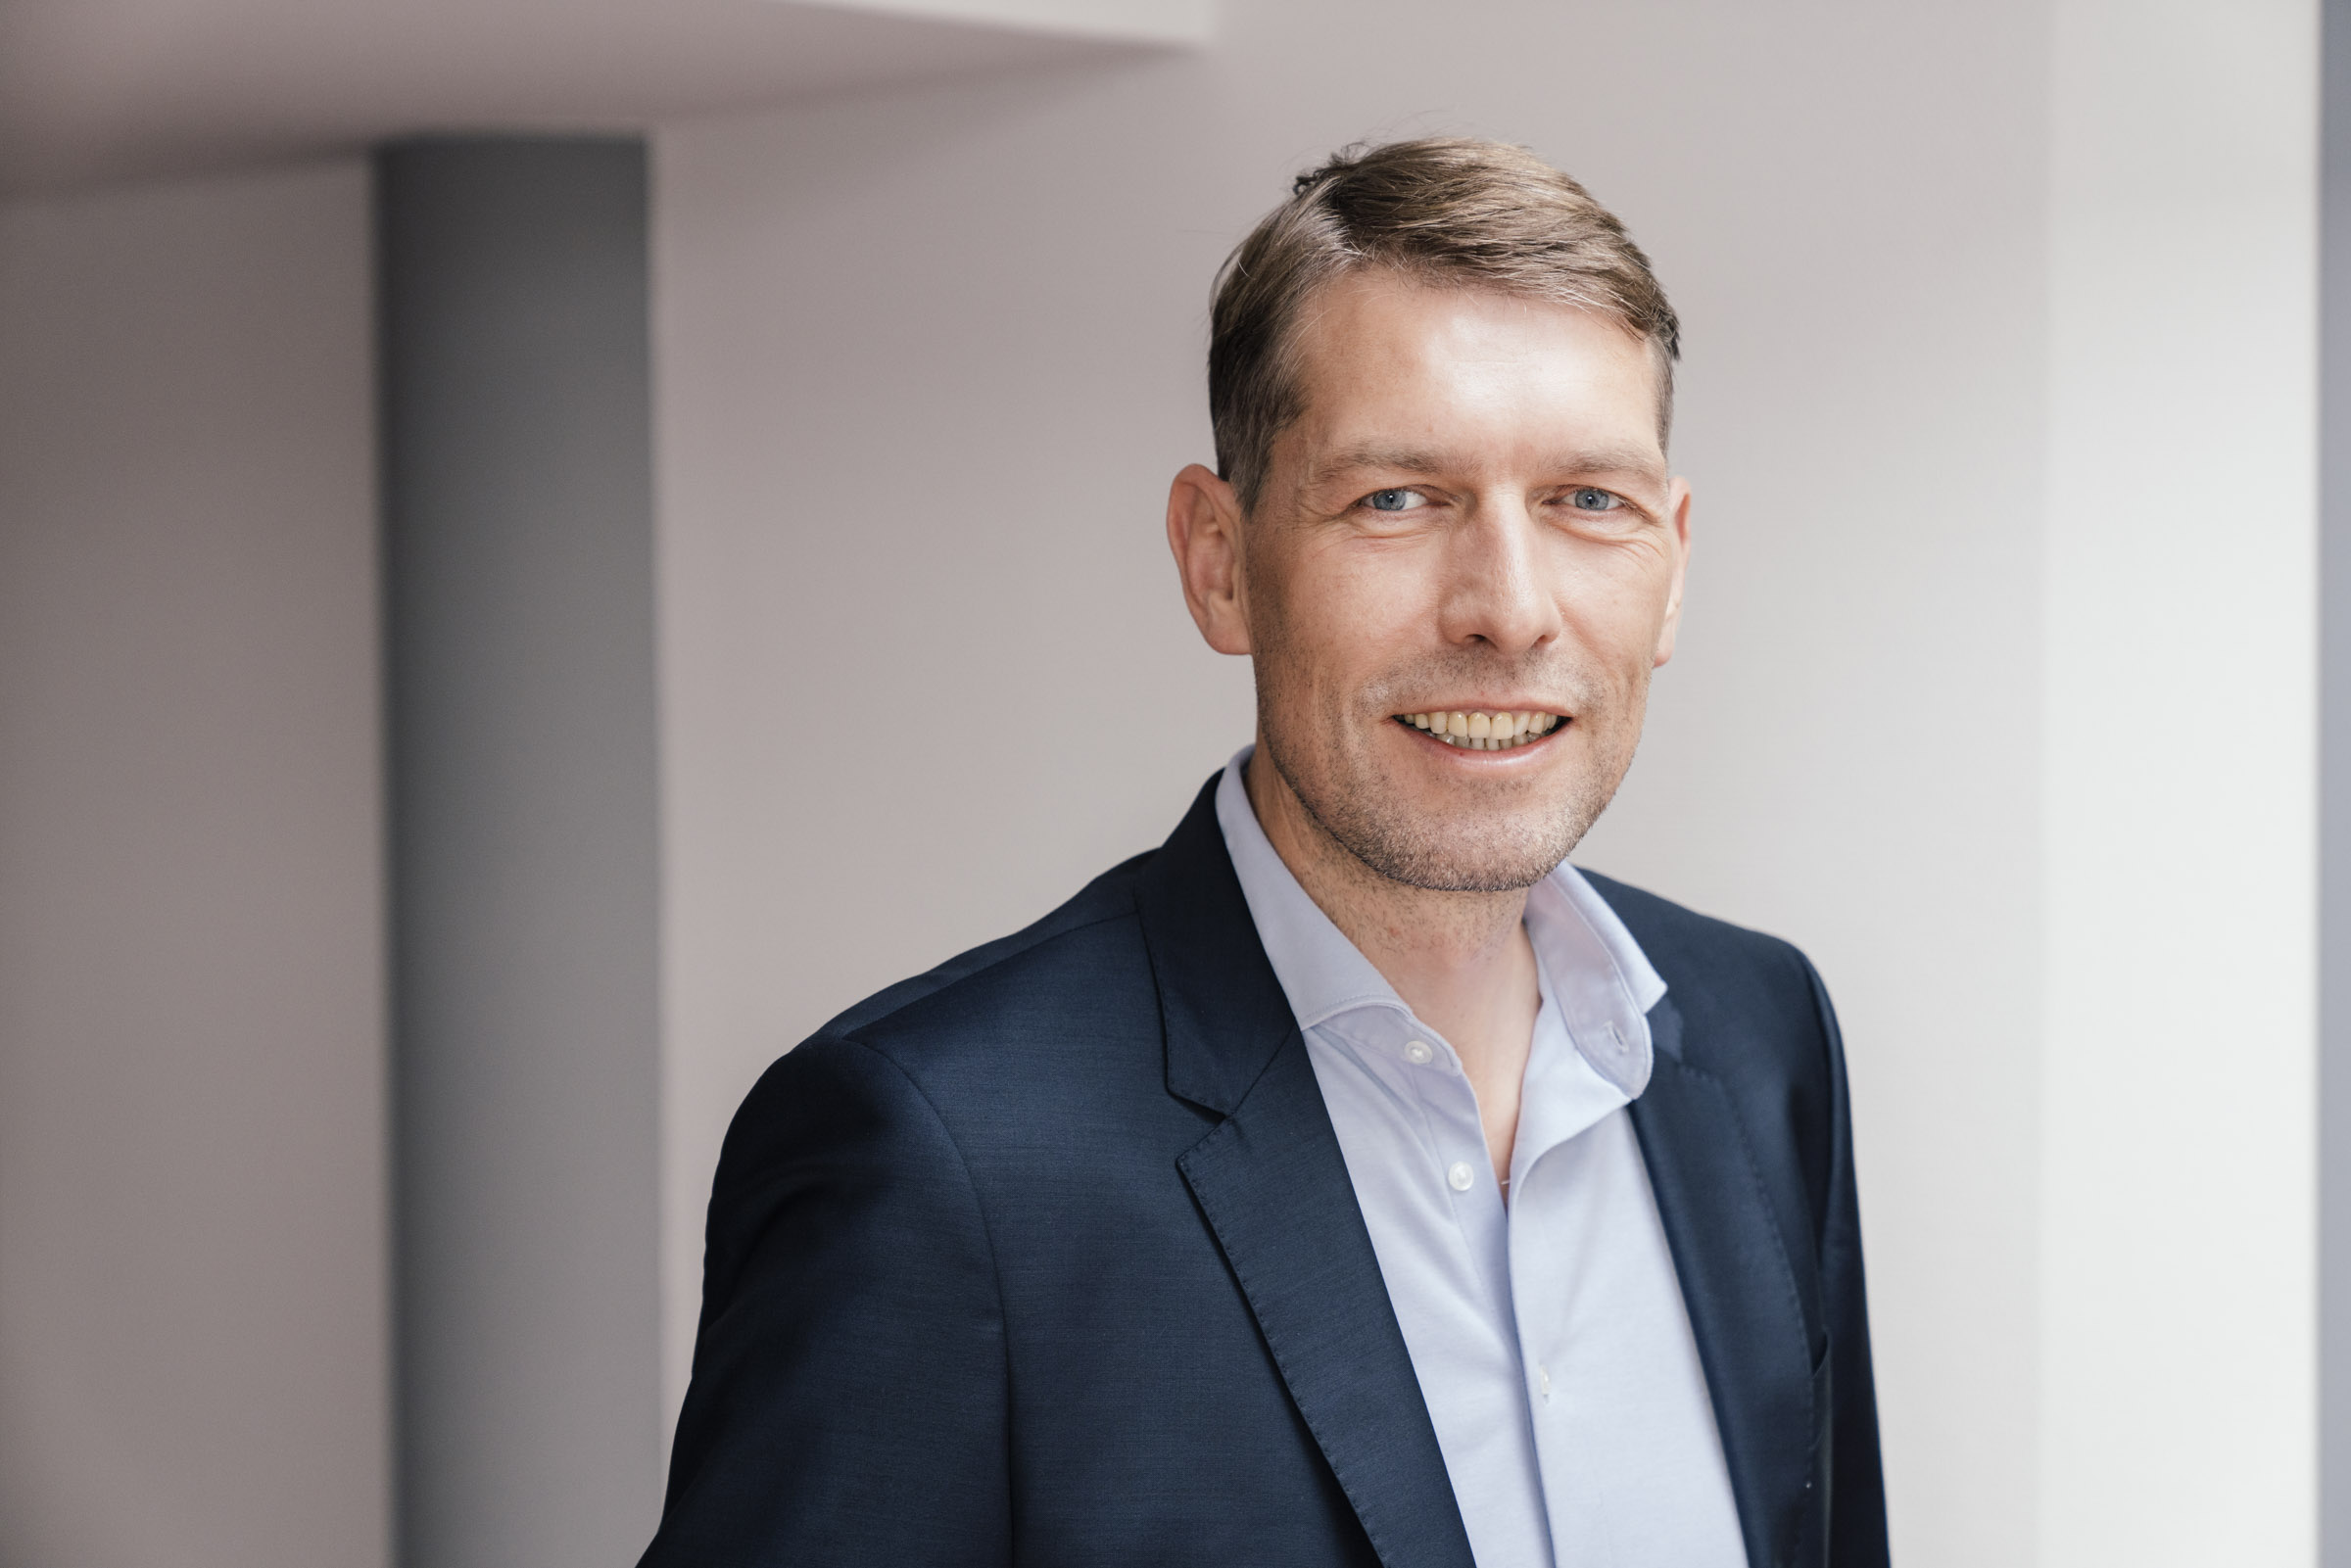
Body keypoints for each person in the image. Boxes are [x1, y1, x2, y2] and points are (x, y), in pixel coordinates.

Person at [639, 136, 1888, 1568]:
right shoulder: (938, 1159)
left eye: (1588, 500)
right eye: (1397, 498)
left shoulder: (1762, 1041)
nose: (1508, 607)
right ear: (1219, 560)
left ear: (1671, 566)